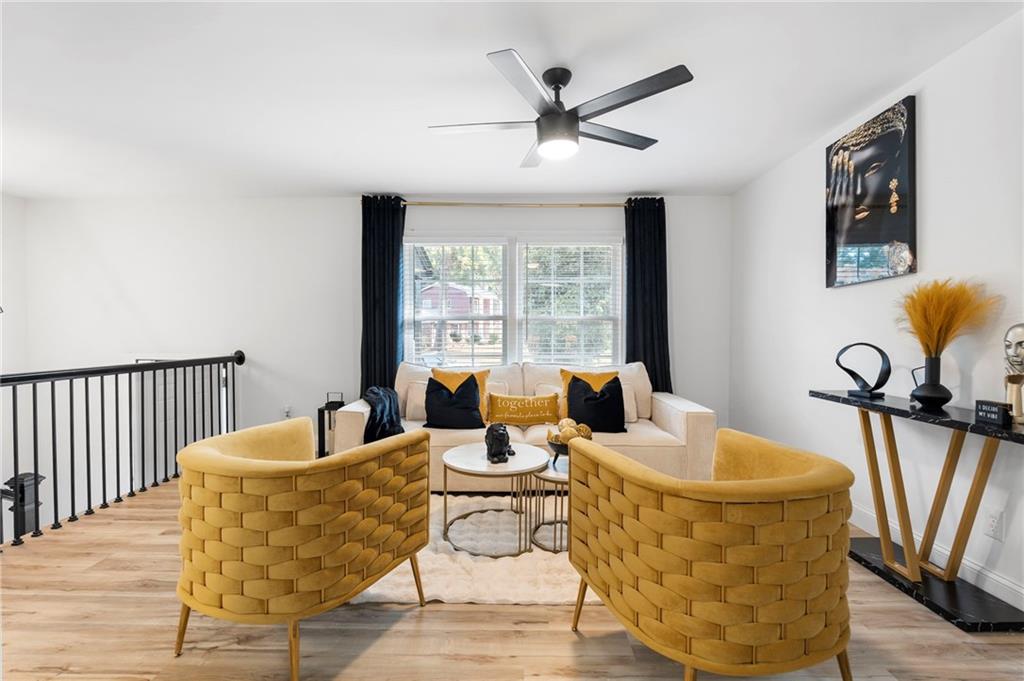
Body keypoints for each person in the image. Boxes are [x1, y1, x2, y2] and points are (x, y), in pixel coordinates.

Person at [826, 100, 913, 286]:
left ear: (896, 168)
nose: (857, 191)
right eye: (846, 178)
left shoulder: (902, 256)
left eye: (873, 168)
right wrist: (840, 236)